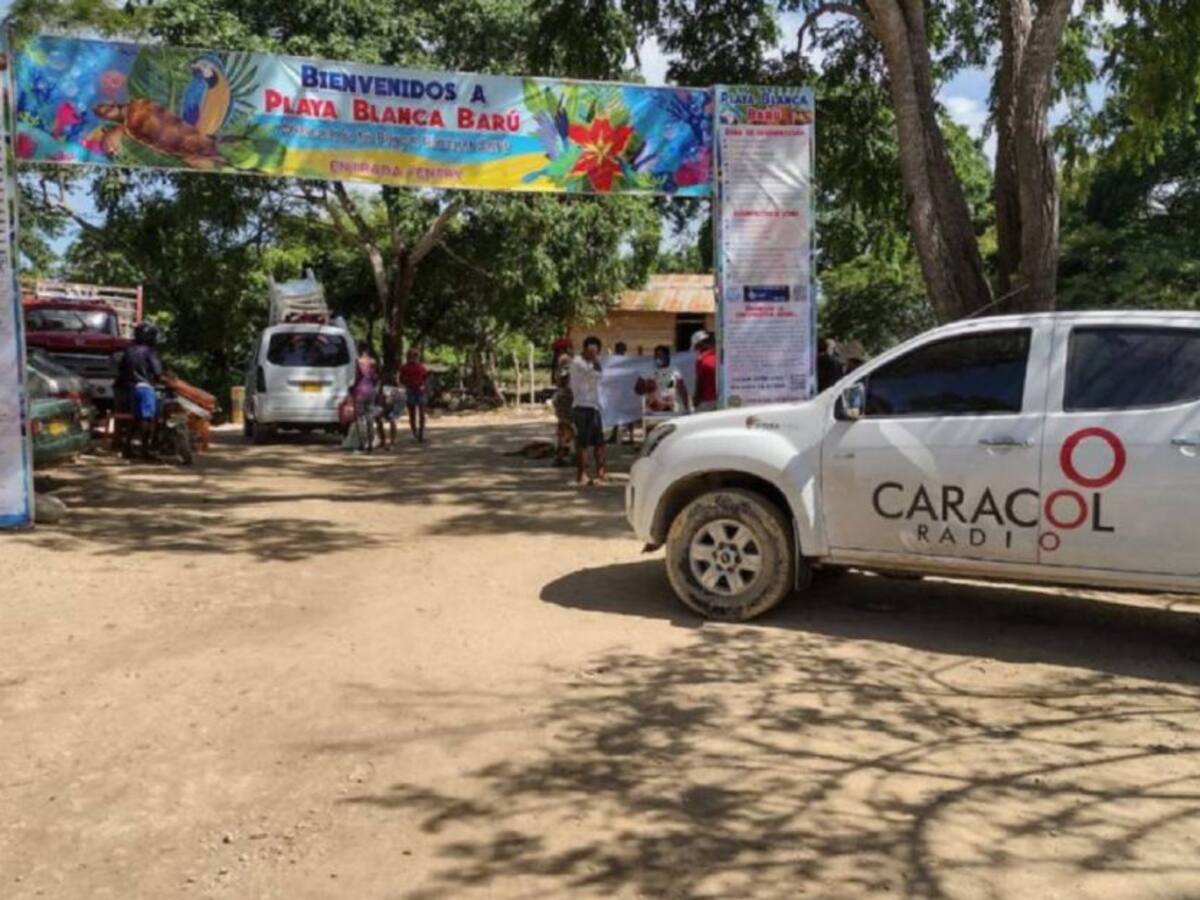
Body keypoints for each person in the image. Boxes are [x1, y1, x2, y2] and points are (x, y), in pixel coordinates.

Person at [115, 322, 164, 460]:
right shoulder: (150, 351)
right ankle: (145, 450)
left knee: (136, 418)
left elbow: (121, 369)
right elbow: (158, 371)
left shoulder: (129, 350)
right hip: (145, 387)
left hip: (131, 388)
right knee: (147, 418)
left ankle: (127, 449)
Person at [570, 335, 606, 485]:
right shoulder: (578, 362)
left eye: (595, 351)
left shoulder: (593, 363)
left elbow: (599, 376)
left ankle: (601, 473)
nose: (593, 353)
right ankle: (581, 475)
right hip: (581, 407)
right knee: (582, 443)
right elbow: (593, 372)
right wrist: (596, 360)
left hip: (594, 406)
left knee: (599, 442)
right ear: (584, 349)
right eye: (590, 350)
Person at [642, 344, 690, 413]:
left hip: (671, 408)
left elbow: (682, 389)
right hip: (654, 409)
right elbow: (641, 389)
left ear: (667, 356)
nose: (658, 358)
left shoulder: (675, 370)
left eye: (660, 355)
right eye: (656, 356)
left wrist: (687, 407)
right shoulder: (649, 370)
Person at [551, 338, 574, 467]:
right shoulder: (565, 359)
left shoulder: (558, 360)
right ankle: (565, 454)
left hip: (561, 395)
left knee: (563, 426)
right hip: (567, 396)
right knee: (569, 426)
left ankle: (560, 455)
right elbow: (564, 377)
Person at [350, 346, 378, 453]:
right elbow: (375, 377)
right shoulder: (373, 362)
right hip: (371, 392)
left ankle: (362, 444)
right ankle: (370, 444)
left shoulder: (358, 362)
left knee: (360, 419)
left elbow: (358, 376)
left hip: (360, 392)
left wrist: (352, 387)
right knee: (370, 418)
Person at [399, 348, 429, 443]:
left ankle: (417, 434)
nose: (413, 358)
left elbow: (401, 380)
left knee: (415, 414)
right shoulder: (420, 367)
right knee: (419, 414)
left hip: (413, 390)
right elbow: (425, 378)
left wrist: (409, 383)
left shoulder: (406, 367)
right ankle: (419, 435)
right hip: (416, 390)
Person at [691, 330, 718, 412]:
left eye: (697, 347)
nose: (697, 351)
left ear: (701, 344)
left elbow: (700, 382)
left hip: (707, 400)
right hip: (722, 399)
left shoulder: (702, 359)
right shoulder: (721, 355)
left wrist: (696, 399)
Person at [376, 373, 402, 451]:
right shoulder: (392, 378)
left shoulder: (387, 381)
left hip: (388, 398)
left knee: (387, 420)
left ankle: (387, 441)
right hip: (389, 396)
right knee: (386, 420)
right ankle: (387, 441)